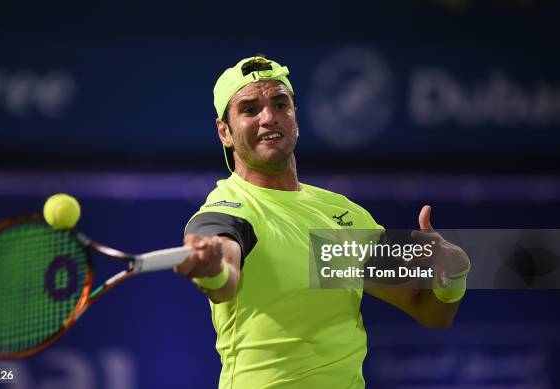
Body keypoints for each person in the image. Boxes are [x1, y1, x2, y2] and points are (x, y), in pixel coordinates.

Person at [174, 56, 471, 388]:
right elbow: (225, 272)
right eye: (249, 109)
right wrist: (213, 269)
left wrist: (453, 274)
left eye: (279, 104)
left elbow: (427, 310)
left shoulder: (340, 214)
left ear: (295, 117)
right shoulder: (229, 210)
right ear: (224, 132)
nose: (268, 117)